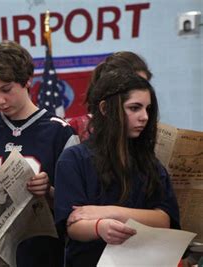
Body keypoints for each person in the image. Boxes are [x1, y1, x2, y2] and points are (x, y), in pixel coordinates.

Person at [0, 40, 79, 267]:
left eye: (7, 89)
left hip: (43, 256)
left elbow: (77, 207)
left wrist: (49, 192)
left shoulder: (60, 133)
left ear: (27, 80)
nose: (0, 100)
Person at [54, 70, 180, 266]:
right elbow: (73, 224)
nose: (144, 117)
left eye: (148, 109)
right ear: (105, 108)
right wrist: (99, 227)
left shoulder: (149, 162)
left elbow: (164, 219)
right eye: (135, 108)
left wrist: (110, 212)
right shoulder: (74, 159)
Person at [68, 51, 152, 141]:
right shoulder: (76, 128)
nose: (145, 117)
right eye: (134, 108)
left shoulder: (149, 132)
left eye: (144, 85)